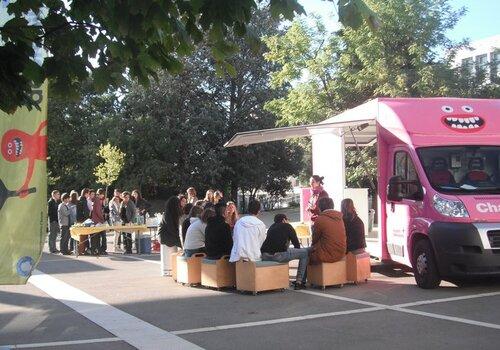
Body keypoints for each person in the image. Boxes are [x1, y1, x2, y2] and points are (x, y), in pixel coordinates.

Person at [261, 214, 309, 289]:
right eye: (287, 219)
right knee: (304, 253)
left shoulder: (271, 227)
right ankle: (299, 282)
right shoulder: (287, 226)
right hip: (278, 255)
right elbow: (296, 245)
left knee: (291, 252)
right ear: (284, 220)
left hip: (265, 255)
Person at [309, 197, 346, 264]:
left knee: (305, 255)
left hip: (327, 254)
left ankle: (305, 275)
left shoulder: (320, 219)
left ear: (320, 207)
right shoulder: (339, 218)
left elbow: (315, 239)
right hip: (341, 253)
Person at [158, 196, 183, 276]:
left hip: (167, 237)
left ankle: (171, 270)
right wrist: (179, 242)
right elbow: (172, 229)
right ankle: (169, 271)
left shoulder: (170, 214)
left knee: (171, 254)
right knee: (170, 254)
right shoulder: (167, 215)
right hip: (167, 237)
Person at [90, 188, 106, 255]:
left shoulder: (96, 199)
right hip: (97, 221)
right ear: (100, 194)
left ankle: (96, 250)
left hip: (95, 220)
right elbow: (98, 211)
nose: (103, 196)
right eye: (102, 194)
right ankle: (96, 250)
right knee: (96, 236)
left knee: (96, 236)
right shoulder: (97, 200)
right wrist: (102, 219)